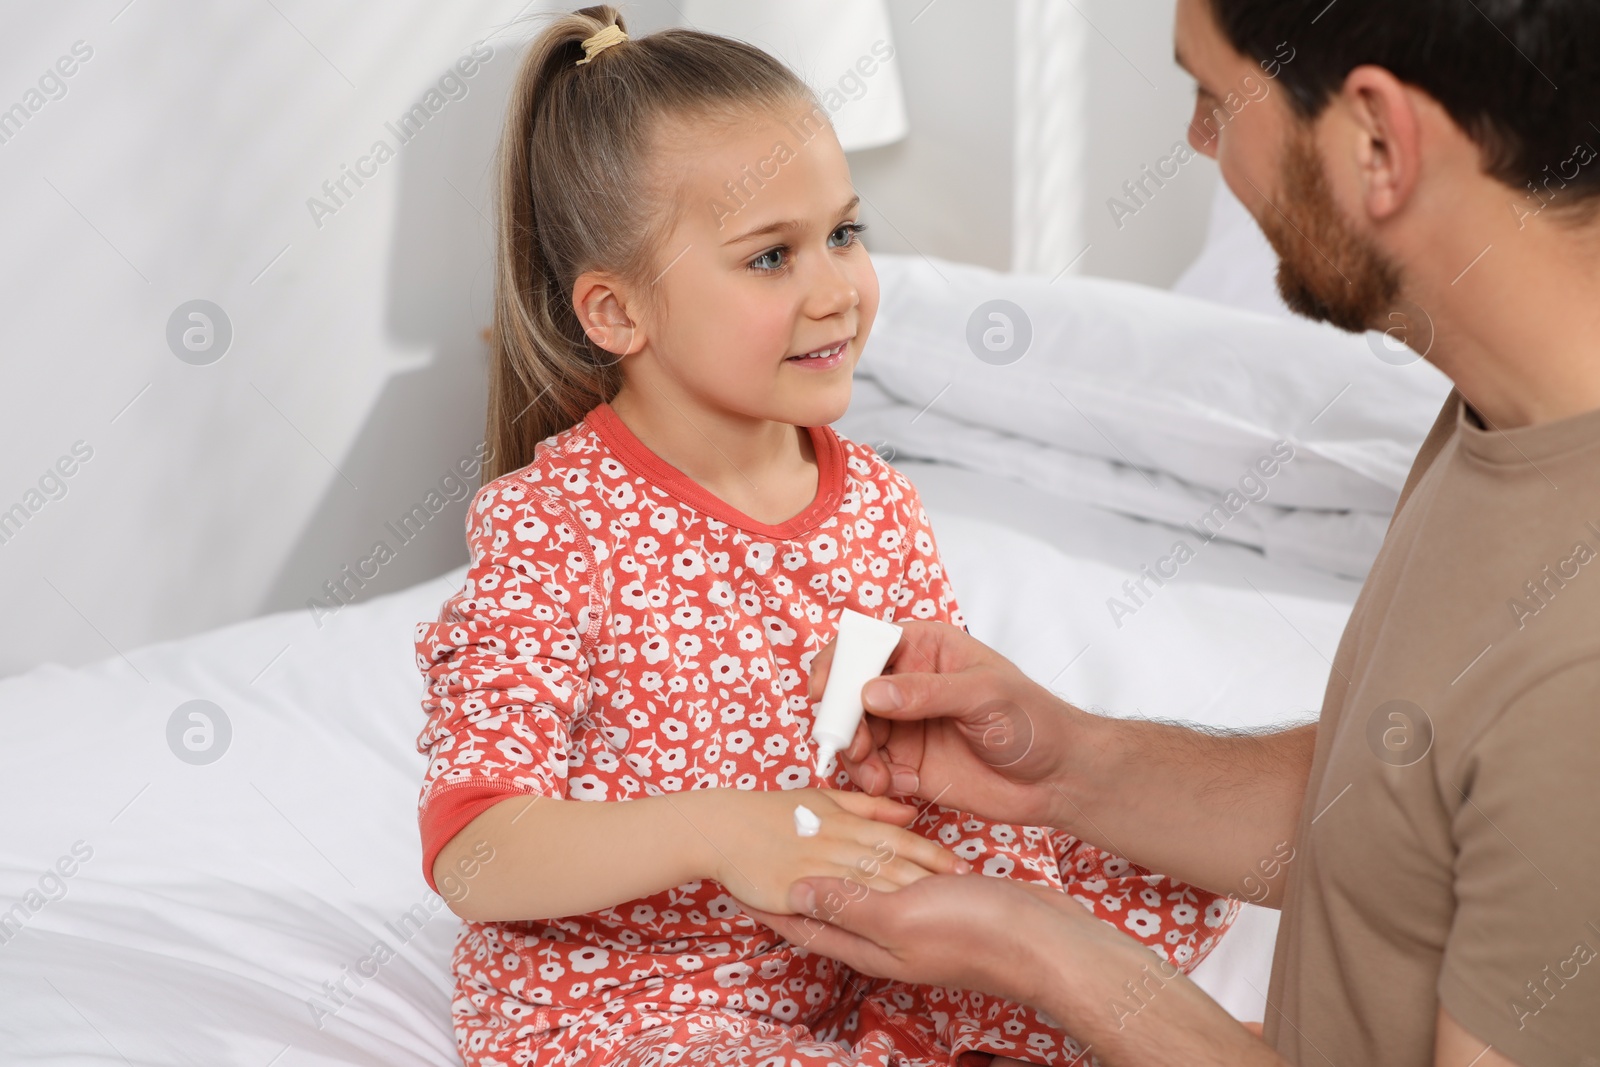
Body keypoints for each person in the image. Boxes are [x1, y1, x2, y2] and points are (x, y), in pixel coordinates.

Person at [753, 0, 1600, 1065]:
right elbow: (1412, 808)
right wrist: (1066, 766)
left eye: (1210, 96)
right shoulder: (1510, 401)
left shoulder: (1580, 661)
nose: (1201, 142)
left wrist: (1050, 953)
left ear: (1378, 140)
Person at [412, 7, 1236, 1066]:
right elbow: (473, 851)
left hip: (841, 951)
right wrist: (720, 828)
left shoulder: (880, 505)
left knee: (1142, 866)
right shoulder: (552, 527)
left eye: (845, 234)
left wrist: (927, 766)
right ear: (617, 314)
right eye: (770, 258)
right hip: (636, 998)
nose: (836, 288)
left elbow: (916, 759)